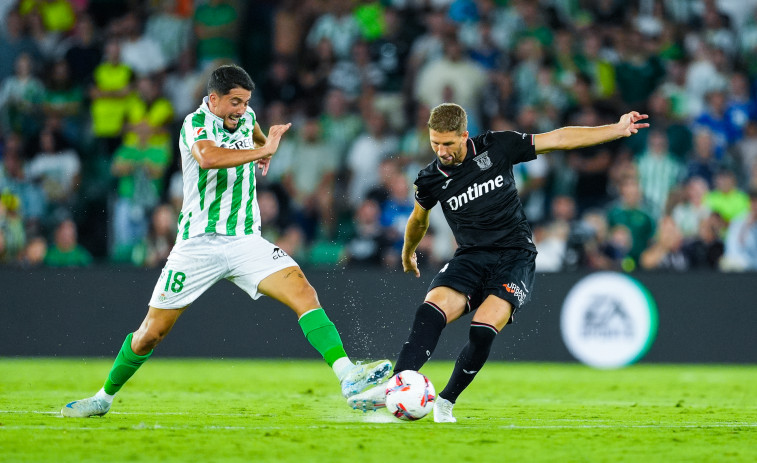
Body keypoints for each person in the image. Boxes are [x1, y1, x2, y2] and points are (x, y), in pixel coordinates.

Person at [61, 64, 391, 418]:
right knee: (150, 334)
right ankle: (103, 397)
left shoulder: (246, 118)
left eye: (246, 102)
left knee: (303, 291)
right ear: (213, 99)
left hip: (245, 240)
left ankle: (347, 376)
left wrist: (265, 148)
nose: (241, 109)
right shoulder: (195, 124)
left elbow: (258, 139)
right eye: (235, 102)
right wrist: (260, 152)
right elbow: (208, 158)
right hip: (197, 245)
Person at [348, 103, 649, 422]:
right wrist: (408, 251)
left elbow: (558, 139)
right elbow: (418, 220)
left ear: (464, 135)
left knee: (482, 331)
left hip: (514, 255)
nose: (441, 150)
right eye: (435, 142)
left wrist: (615, 129)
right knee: (430, 310)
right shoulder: (429, 179)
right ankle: (399, 382)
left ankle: (446, 401)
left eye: (448, 143)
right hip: (471, 256)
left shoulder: (499, 146)